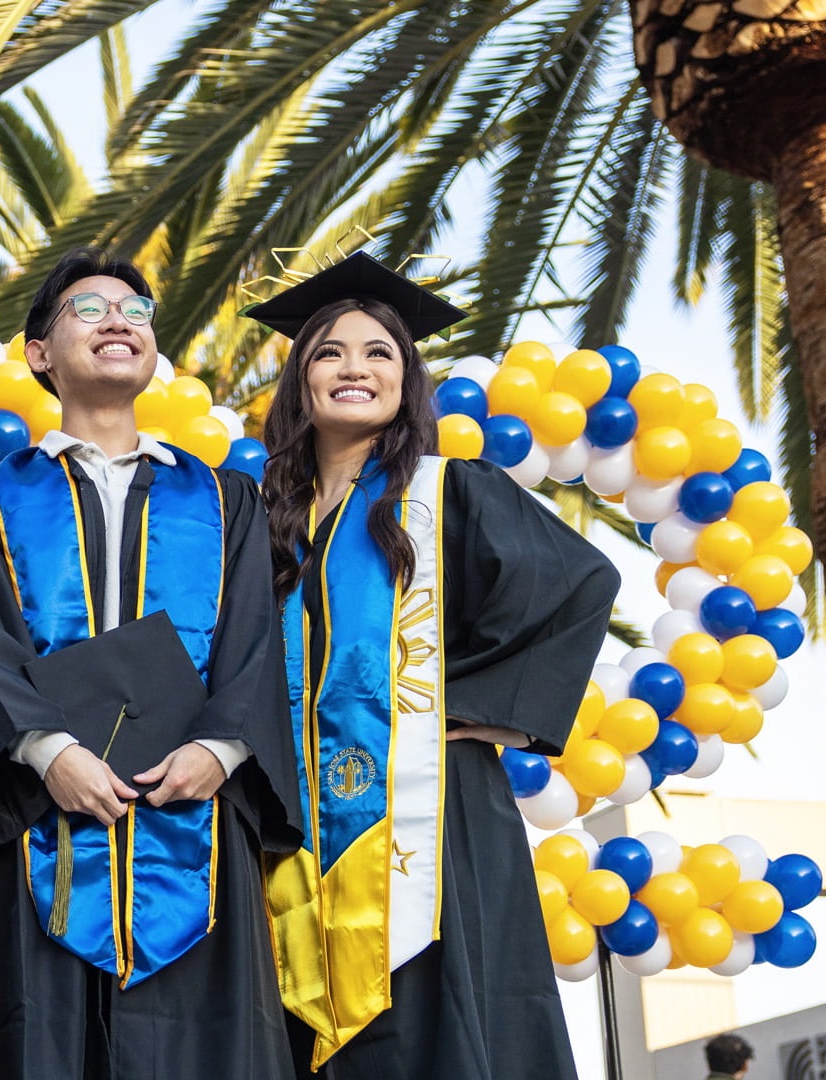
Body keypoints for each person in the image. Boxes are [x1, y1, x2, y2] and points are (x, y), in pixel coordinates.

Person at [249, 253, 622, 1078]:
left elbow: (579, 584)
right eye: (330, 352)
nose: (355, 368)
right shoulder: (267, 524)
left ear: (406, 380)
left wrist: (469, 706)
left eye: (380, 352)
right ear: (300, 380)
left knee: (440, 1024)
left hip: (432, 816)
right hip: (291, 829)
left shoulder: (449, 491)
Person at [0, 247, 302, 1080]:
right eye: (90, 309)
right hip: (49, 826)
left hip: (197, 827)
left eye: (136, 312)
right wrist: (48, 751)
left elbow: (255, 640)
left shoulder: (221, 499)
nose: (119, 322)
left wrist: (219, 752)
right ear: (39, 354)